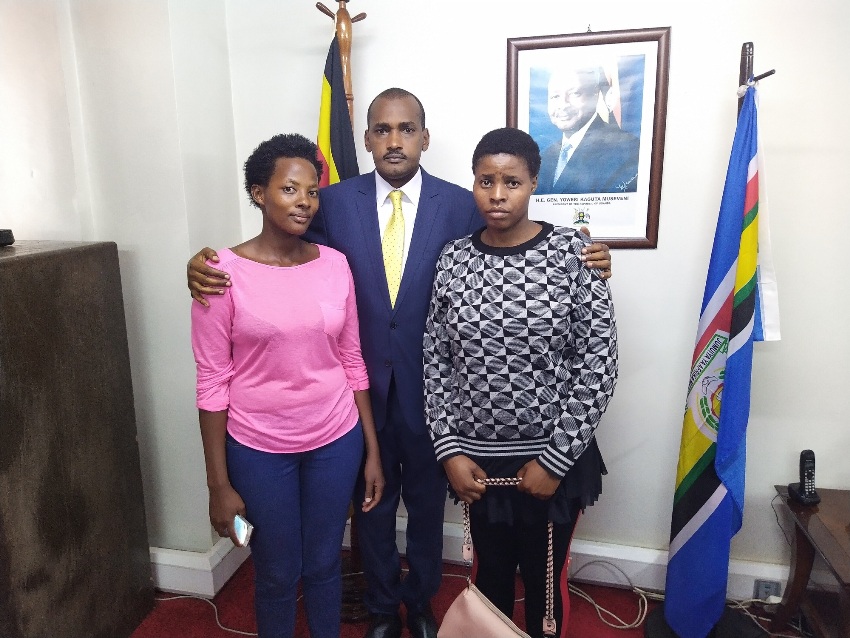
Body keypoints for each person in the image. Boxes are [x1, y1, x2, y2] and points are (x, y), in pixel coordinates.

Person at [187, 89, 613, 638]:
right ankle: (384, 610)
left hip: (434, 397)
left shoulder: (463, 203)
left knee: (429, 508)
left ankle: (425, 605)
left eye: (406, 129)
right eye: (382, 130)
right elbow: (276, 257)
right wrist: (200, 264)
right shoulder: (329, 202)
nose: (394, 141)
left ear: (425, 138)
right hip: (356, 397)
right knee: (373, 509)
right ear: (365, 139)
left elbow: (518, 239)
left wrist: (591, 255)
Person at [424, 127, 618, 637]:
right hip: (475, 464)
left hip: (550, 463)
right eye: (485, 181)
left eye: (512, 181)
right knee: (488, 582)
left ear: (534, 183)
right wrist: (448, 450)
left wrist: (554, 461)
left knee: (543, 583)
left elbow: (598, 364)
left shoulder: (571, 254)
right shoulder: (454, 259)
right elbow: (437, 360)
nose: (497, 194)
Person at [191, 133, 384, 638]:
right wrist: (218, 485)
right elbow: (211, 381)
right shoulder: (219, 273)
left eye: (312, 191)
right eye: (290, 189)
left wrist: (371, 451)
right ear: (259, 193)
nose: (304, 202)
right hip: (258, 450)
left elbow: (351, 359)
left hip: (335, 441)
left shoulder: (334, 264)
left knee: (323, 564)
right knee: (276, 571)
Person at [536, 64, 640, 195]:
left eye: (575, 93)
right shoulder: (543, 157)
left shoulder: (627, 149)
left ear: (595, 96)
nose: (563, 105)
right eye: (555, 97)